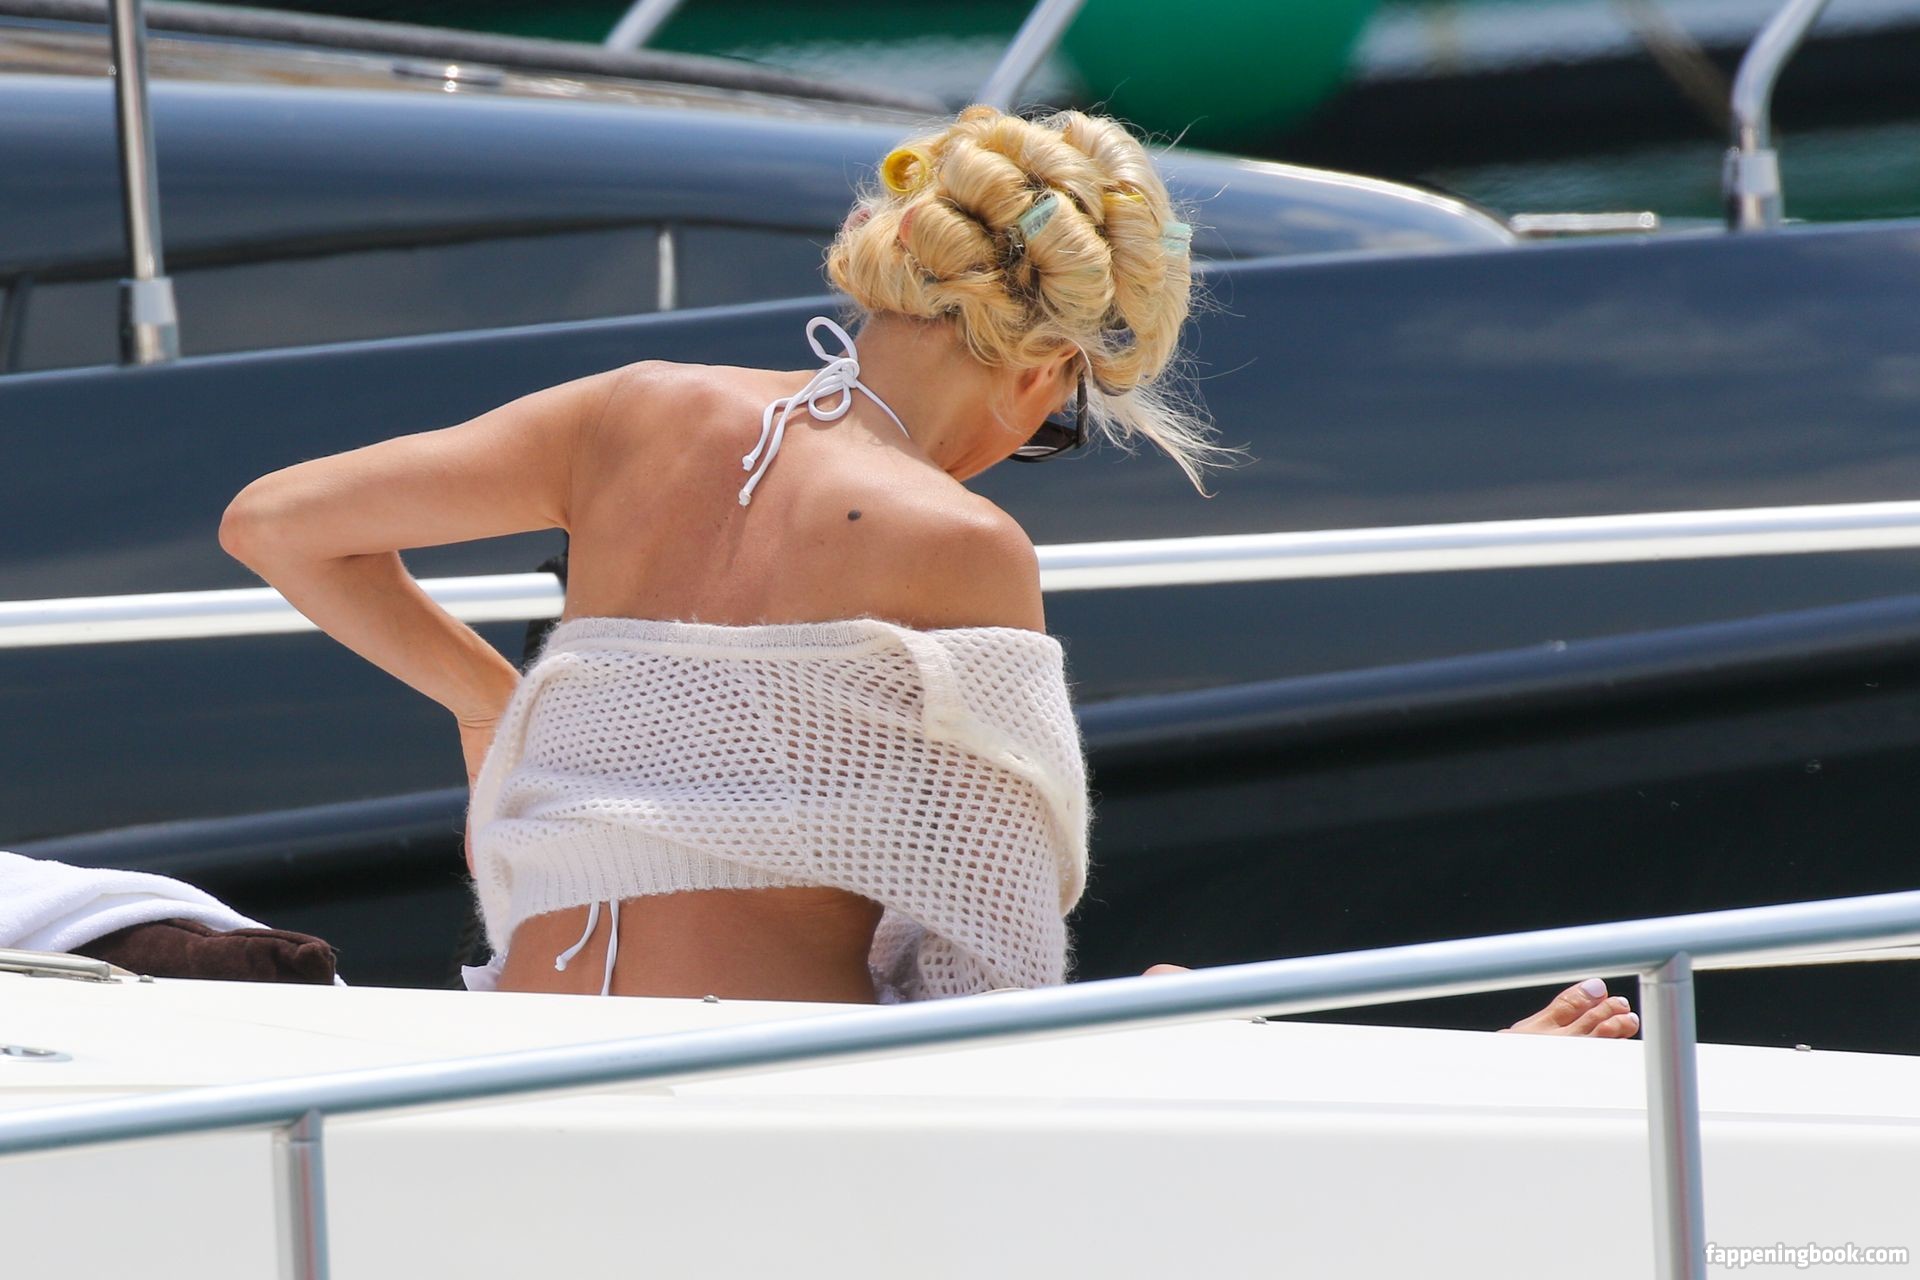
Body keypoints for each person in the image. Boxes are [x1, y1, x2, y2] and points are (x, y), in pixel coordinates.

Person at [221, 105, 1635, 1035]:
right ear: (1047, 368)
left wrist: (494, 704)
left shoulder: (633, 411)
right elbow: (985, 973)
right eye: (1064, 426)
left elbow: (277, 521)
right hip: (764, 1086)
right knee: (1174, 1019)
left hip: (525, 1043)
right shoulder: (958, 546)